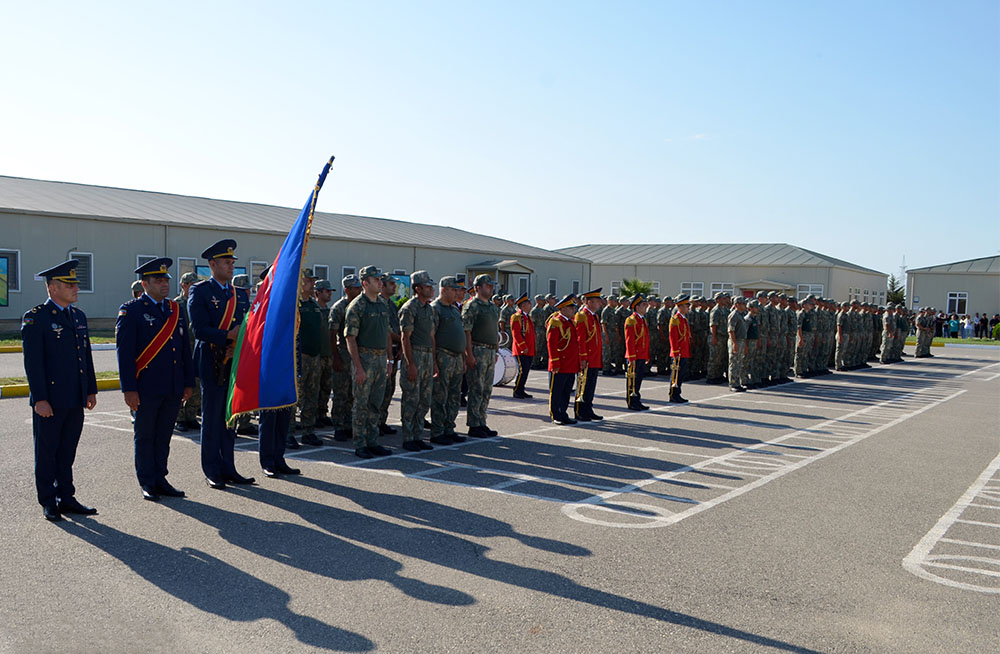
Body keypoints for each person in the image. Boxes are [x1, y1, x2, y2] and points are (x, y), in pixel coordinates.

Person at [22, 259, 99, 521]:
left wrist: (90, 389)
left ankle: (66, 497)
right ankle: (48, 500)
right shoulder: (37, 318)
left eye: (76, 283)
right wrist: (39, 399)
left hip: (74, 397)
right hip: (51, 400)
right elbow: (33, 364)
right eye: (70, 284)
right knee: (47, 452)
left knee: (67, 451)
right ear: (53, 288)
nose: (76, 287)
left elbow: (84, 356)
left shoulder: (77, 316)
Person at [116, 258, 194, 501]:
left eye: (166, 280)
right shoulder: (132, 311)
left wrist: (187, 382)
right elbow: (125, 354)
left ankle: (161, 477)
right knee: (145, 435)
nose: (164, 284)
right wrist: (129, 389)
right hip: (146, 387)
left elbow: (183, 349)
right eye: (158, 280)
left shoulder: (175, 309)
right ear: (144, 283)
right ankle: (147, 481)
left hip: (172, 385)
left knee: (163, 435)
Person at [188, 239, 253, 489]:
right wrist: (227, 336)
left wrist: (238, 342)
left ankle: (229, 467)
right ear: (212, 264)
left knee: (230, 417)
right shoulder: (201, 291)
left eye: (233, 262)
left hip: (233, 362)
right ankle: (212, 470)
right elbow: (199, 329)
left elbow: (246, 326)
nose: (231, 266)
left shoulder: (239, 294)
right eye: (227, 262)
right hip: (212, 361)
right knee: (213, 417)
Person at [256, 266, 300, 478]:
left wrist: (296, 368)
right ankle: (267, 460)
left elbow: (295, 341)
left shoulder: (289, 307)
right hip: (268, 369)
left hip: (286, 369)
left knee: (284, 415)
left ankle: (279, 458)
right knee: (269, 417)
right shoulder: (262, 307)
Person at [345, 265, 393, 459]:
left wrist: (389, 359)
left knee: (376, 404)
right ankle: (360, 443)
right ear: (365, 283)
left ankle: (373, 441)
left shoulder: (383, 304)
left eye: (380, 279)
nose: (380, 283)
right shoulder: (357, 306)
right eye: (376, 280)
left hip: (381, 359)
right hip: (364, 358)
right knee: (361, 404)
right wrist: (358, 367)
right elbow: (350, 338)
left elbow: (387, 333)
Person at [398, 270, 437, 451]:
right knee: (411, 399)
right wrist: (410, 363)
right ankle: (408, 437)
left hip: (428, 356)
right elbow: (405, 338)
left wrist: (434, 361)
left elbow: (431, 336)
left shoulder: (429, 309)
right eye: (427, 286)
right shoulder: (409, 308)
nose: (431, 289)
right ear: (418, 288)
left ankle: (418, 434)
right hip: (415, 355)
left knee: (424, 399)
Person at [430, 276, 468, 445]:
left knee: (454, 395)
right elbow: (431, 336)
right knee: (440, 395)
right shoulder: (435, 309)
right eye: (453, 289)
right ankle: (437, 431)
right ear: (444, 290)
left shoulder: (454, 309)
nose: (457, 292)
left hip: (457, 357)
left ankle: (449, 428)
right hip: (443, 356)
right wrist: (434, 362)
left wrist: (464, 357)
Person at [462, 274, 501, 438]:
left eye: (492, 286)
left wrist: (496, 350)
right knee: (476, 389)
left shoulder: (492, 307)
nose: (491, 288)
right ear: (478, 287)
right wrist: (468, 354)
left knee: (486, 389)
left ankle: (481, 421)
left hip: (490, 351)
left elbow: (495, 330)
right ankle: (473, 424)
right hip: (478, 350)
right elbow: (466, 332)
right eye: (487, 285)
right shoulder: (472, 306)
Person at [329, 274, 362, 442]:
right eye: (355, 288)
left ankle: (349, 424)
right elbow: (332, 334)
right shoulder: (339, 307)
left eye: (359, 287)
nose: (358, 290)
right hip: (342, 352)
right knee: (341, 393)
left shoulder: (360, 306)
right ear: (347, 289)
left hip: (356, 353)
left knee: (352, 393)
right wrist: (335, 357)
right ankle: (339, 426)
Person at [546, 294, 581, 425]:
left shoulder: (570, 322)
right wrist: (554, 361)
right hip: (560, 363)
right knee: (556, 391)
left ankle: (563, 412)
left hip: (570, 363)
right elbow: (552, 344)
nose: (574, 310)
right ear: (564, 309)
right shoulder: (556, 322)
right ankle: (556, 414)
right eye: (571, 308)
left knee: (566, 391)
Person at [174, 271, 202, 432]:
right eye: (192, 284)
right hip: (182, 351)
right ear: (184, 285)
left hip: (195, 351)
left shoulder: (197, 302)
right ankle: (179, 418)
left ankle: (191, 416)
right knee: (180, 386)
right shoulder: (176, 305)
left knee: (196, 386)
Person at [378, 273, 402, 435]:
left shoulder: (392, 305)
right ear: (382, 285)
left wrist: (400, 346)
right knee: (379, 390)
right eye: (391, 284)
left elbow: (397, 327)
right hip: (381, 352)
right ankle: (375, 423)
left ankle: (382, 421)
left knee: (389, 389)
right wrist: (400, 339)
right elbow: (387, 331)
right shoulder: (378, 304)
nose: (394, 286)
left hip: (393, 349)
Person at [574, 288, 604, 421]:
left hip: (595, 357)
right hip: (587, 357)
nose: (600, 304)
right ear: (589, 302)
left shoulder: (594, 316)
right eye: (597, 301)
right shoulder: (582, 316)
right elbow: (580, 339)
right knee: (583, 385)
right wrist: (583, 357)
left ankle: (588, 408)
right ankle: (580, 410)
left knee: (591, 385)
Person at [313, 278, 336, 428]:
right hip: (316, 355)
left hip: (328, 354)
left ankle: (322, 412)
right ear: (318, 293)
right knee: (314, 387)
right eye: (326, 291)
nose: (329, 294)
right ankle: (312, 415)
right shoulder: (313, 309)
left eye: (330, 291)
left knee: (326, 386)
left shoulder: (329, 311)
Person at [624, 294, 650, 410]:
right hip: (634, 355)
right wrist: (632, 357)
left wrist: (646, 355)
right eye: (643, 305)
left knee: (638, 379)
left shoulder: (641, 319)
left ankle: (637, 399)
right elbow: (629, 340)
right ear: (637, 307)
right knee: (632, 380)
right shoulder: (631, 320)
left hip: (641, 354)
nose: (646, 307)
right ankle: (632, 401)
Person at [509, 293, 535, 399]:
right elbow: (516, 334)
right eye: (529, 303)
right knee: (523, 370)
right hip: (522, 349)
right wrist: (523, 346)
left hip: (529, 349)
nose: (530, 305)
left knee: (526, 370)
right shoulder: (517, 317)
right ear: (523, 305)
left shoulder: (527, 316)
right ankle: (517, 390)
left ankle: (521, 389)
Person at [668, 294, 691, 403]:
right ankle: (673, 394)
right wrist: (676, 351)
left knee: (681, 374)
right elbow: (673, 337)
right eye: (687, 305)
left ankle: (678, 393)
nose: (688, 308)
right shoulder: (676, 319)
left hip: (684, 351)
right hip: (678, 352)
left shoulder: (683, 319)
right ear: (681, 306)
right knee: (676, 375)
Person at [728, 296, 748, 392]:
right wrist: (734, 343)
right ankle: (733, 384)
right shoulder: (734, 315)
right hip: (735, 341)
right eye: (742, 304)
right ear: (737, 305)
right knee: (734, 363)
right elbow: (731, 331)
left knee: (739, 363)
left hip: (741, 341)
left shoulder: (741, 315)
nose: (745, 306)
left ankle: (737, 382)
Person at [530, 295, 548, 369]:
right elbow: (532, 323)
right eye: (542, 300)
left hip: (542, 330)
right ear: (537, 301)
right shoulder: (534, 311)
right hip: (537, 330)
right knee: (536, 347)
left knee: (542, 347)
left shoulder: (543, 310)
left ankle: (539, 362)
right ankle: (534, 363)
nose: (544, 301)